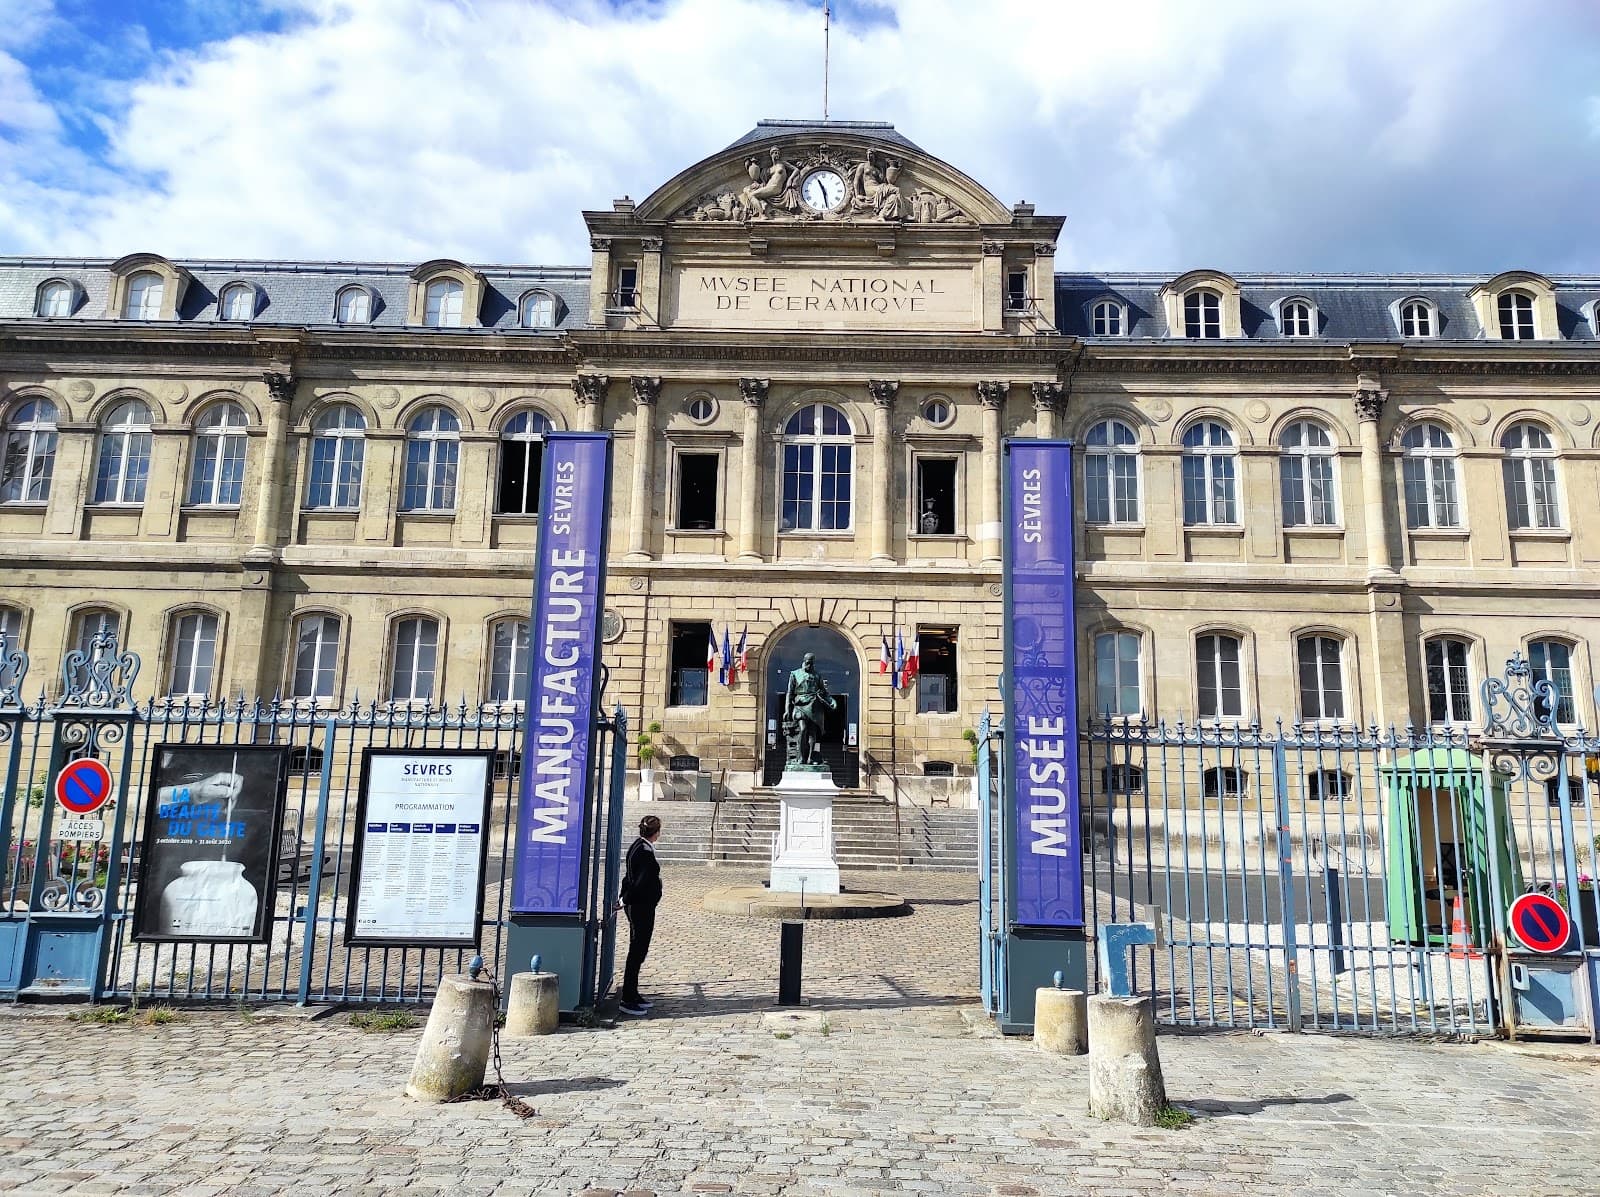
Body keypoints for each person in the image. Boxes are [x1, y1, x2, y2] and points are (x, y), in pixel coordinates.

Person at [618, 814, 663, 1016]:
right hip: (640, 908)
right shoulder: (644, 852)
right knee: (637, 951)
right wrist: (624, 899)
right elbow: (638, 882)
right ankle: (628, 998)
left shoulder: (639, 846)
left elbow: (630, 877)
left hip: (640, 906)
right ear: (656, 833)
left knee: (638, 951)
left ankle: (633, 993)